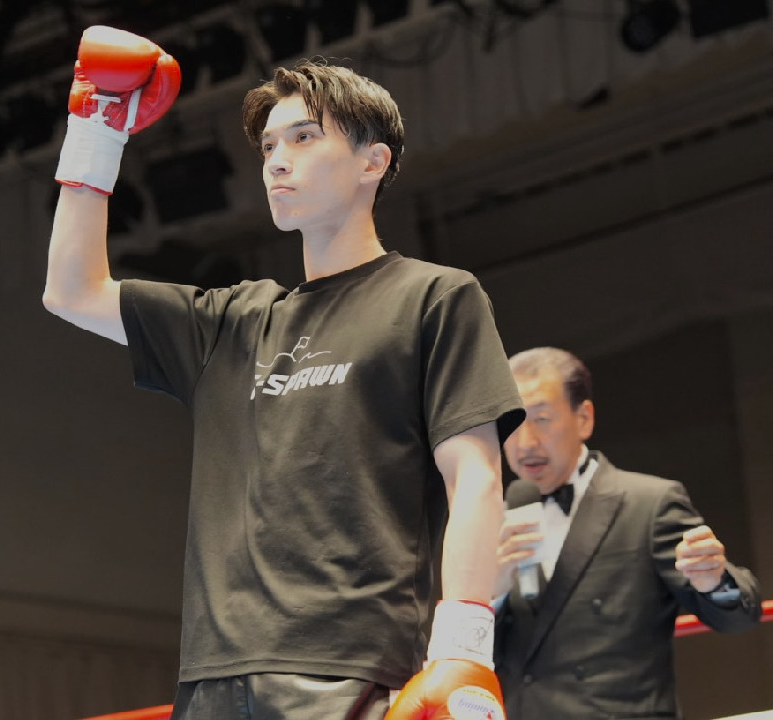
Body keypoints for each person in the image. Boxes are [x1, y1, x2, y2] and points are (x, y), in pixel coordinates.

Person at [43, 24, 525, 720]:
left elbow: (475, 475)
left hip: (350, 669)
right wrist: (97, 130)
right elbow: (71, 291)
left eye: (303, 138)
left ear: (372, 162)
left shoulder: (434, 296)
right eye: (268, 146)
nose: (276, 161)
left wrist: (463, 650)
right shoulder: (230, 322)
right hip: (212, 677)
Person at [493, 346, 762, 720]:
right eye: (511, 422)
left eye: (541, 418)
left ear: (583, 418)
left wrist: (713, 581)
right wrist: (492, 593)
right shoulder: (496, 519)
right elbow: (481, 657)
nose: (525, 443)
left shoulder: (648, 504)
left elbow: (738, 618)